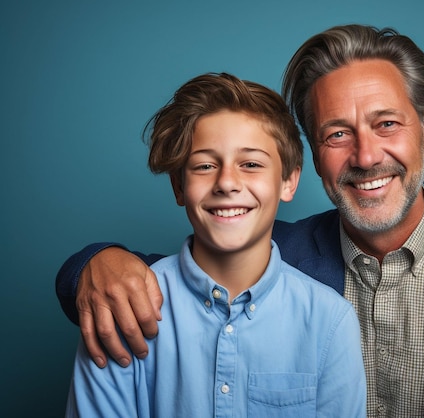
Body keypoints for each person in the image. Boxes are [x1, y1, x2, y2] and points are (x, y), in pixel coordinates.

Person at [57, 25, 424, 416]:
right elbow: (163, 286)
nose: (367, 156)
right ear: (310, 159)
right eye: (337, 134)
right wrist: (97, 262)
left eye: (387, 124)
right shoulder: (267, 253)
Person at [64, 72, 366, 417]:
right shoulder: (121, 307)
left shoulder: (329, 320)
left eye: (250, 164)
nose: (226, 182)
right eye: (205, 165)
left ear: (288, 180)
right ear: (179, 186)